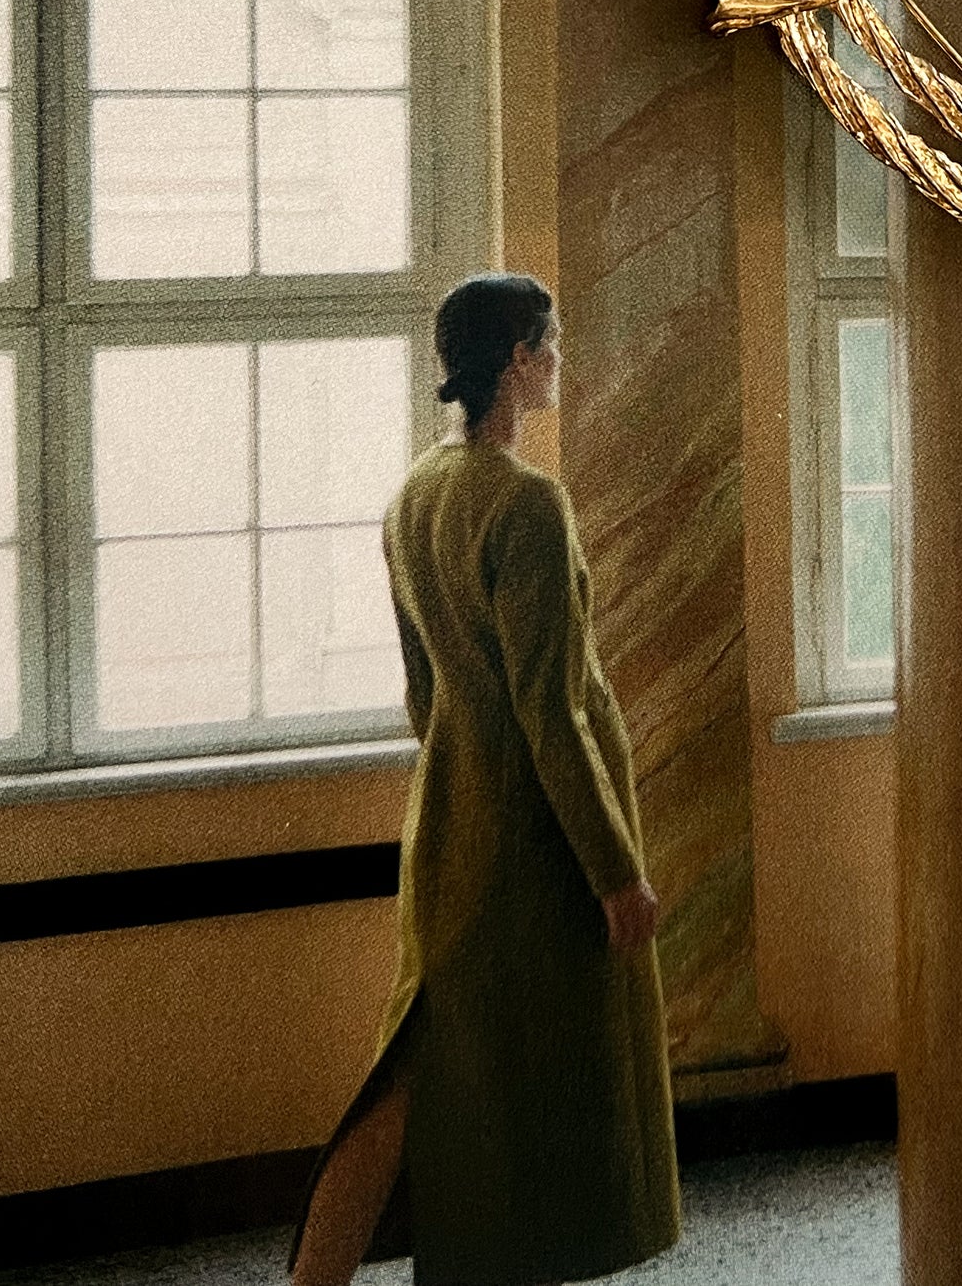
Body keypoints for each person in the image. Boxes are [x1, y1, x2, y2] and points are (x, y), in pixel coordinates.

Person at [290, 273, 681, 1286]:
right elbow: (553, 710)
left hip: (452, 820)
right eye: (550, 345)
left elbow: (423, 695)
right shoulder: (526, 503)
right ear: (517, 358)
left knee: (418, 1060)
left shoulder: (415, 494)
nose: (559, 362)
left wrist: (458, 786)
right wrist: (615, 871)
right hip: (532, 842)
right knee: (522, 1082)